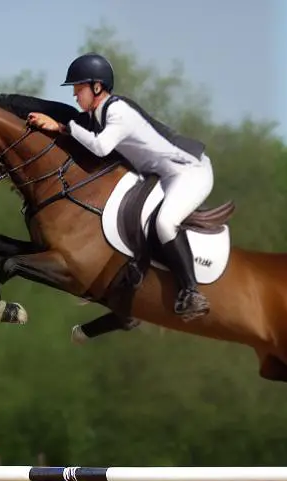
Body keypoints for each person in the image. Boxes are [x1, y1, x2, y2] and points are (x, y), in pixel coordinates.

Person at [26, 53, 212, 321]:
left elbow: (100, 147)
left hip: (189, 171)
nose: (76, 96)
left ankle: (192, 291)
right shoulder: (100, 113)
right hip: (159, 175)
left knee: (164, 223)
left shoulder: (117, 111)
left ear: (97, 87)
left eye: (79, 89)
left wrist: (62, 127)